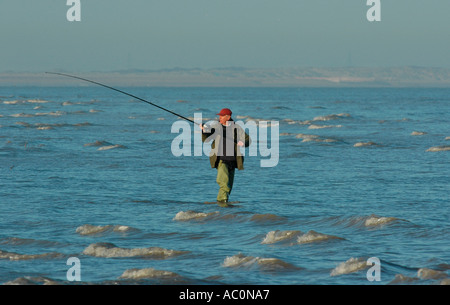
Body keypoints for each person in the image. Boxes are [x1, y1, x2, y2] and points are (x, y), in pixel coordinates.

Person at [199, 108, 251, 204]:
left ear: (228, 117)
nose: (220, 118)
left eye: (222, 116)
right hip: (221, 160)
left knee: (229, 187)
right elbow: (206, 139)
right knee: (224, 184)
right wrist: (204, 130)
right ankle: (223, 204)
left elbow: (248, 140)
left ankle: (223, 208)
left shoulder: (237, 128)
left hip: (233, 161)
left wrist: (243, 142)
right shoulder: (216, 127)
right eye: (219, 116)